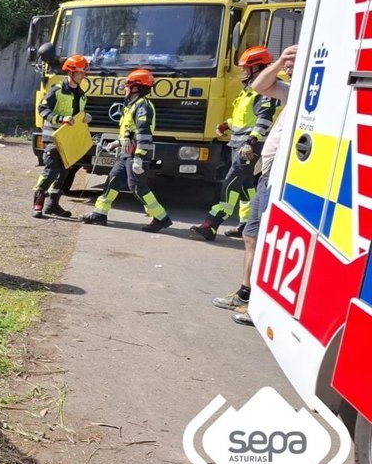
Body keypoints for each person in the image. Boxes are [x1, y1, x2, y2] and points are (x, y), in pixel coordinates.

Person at [214, 45, 296, 326]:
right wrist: (283, 60)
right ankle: (246, 293)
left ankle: (258, 302)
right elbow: (261, 88)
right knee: (251, 236)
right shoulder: (286, 91)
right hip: (265, 170)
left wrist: (250, 142)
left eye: (294, 66)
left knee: (264, 237)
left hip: (275, 173)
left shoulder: (305, 97)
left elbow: (260, 120)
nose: (288, 70)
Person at [190, 46, 280, 241]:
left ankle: (211, 224)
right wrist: (226, 125)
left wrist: (251, 141)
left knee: (231, 183)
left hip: (249, 146)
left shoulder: (267, 88)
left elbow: (264, 118)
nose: (243, 71)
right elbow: (243, 117)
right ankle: (246, 224)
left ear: (257, 67)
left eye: (247, 67)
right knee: (247, 185)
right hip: (238, 144)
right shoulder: (250, 88)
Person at [80, 68, 173, 232]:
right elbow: (130, 132)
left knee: (137, 187)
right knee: (113, 181)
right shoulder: (132, 105)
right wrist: (117, 143)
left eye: (129, 85)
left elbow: (144, 134)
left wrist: (138, 158)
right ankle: (99, 214)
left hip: (136, 154)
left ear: (137, 87)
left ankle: (161, 218)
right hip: (125, 153)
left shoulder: (142, 106)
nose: (126, 89)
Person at [33, 54, 92, 218]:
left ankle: (52, 205)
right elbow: (42, 110)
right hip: (53, 138)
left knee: (64, 174)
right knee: (50, 171)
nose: (83, 76)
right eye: (80, 72)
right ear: (71, 72)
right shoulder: (57, 91)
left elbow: (76, 115)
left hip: (68, 141)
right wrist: (60, 119)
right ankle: (38, 203)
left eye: (84, 73)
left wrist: (84, 117)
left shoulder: (81, 95)